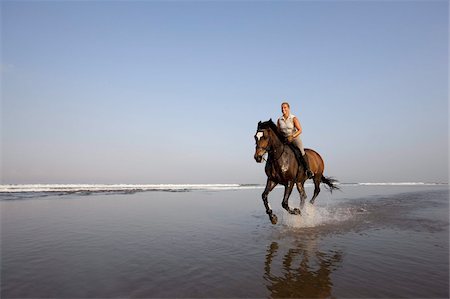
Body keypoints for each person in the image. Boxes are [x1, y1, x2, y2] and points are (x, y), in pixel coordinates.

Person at [277, 102, 314, 179]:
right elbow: (278, 131)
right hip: (285, 139)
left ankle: (308, 170)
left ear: (288, 108)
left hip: (294, 138)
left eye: (285, 107)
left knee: (301, 151)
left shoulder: (293, 118)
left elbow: (300, 130)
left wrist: (292, 136)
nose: (283, 109)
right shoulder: (279, 120)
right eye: (282, 108)